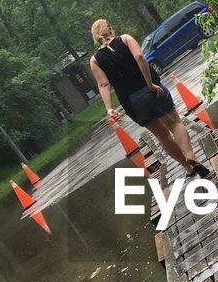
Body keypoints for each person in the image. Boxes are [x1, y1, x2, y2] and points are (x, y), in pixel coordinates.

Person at [89, 19, 211, 176]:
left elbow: (104, 85)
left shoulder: (95, 60)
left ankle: (188, 168)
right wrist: (150, 83)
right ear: (110, 29)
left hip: (133, 102)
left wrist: (109, 108)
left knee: (162, 135)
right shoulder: (126, 39)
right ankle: (190, 156)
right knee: (174, 123)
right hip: (152, 90)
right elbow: (140, 57)